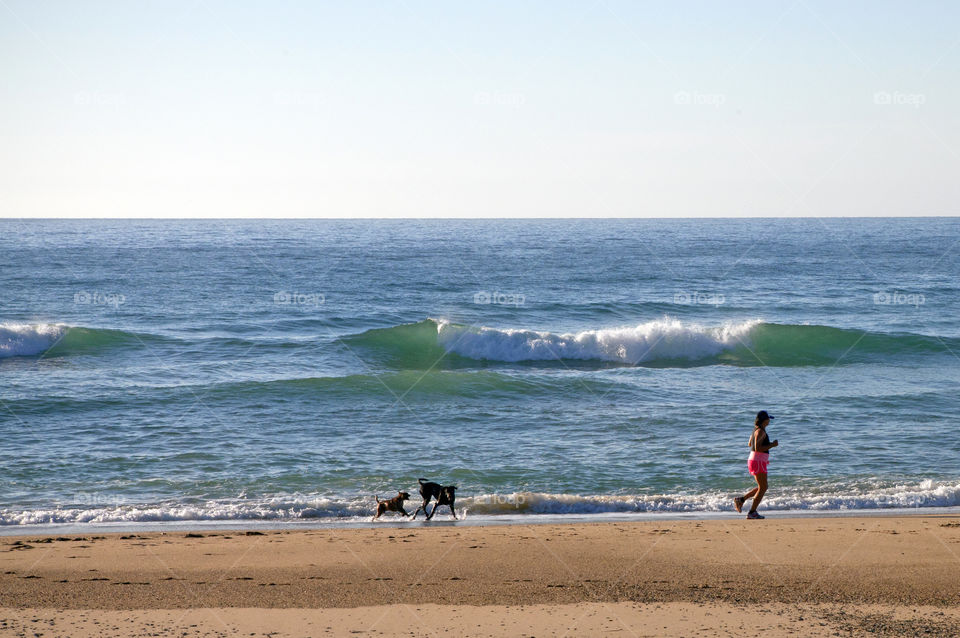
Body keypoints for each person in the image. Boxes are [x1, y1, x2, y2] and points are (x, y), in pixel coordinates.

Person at [734, 410, 778, 519]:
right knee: (763, 487)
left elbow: (750, 444)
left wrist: (763, 443)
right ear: (764, 420)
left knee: (761, 487)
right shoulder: (761, 431)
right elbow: (757, 448)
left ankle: (741, 500)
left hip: (756, 460)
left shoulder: (756, 430)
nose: (769, 421)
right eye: (768, 419)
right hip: (758, 461)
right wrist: (772, 445)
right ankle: (752, 512)